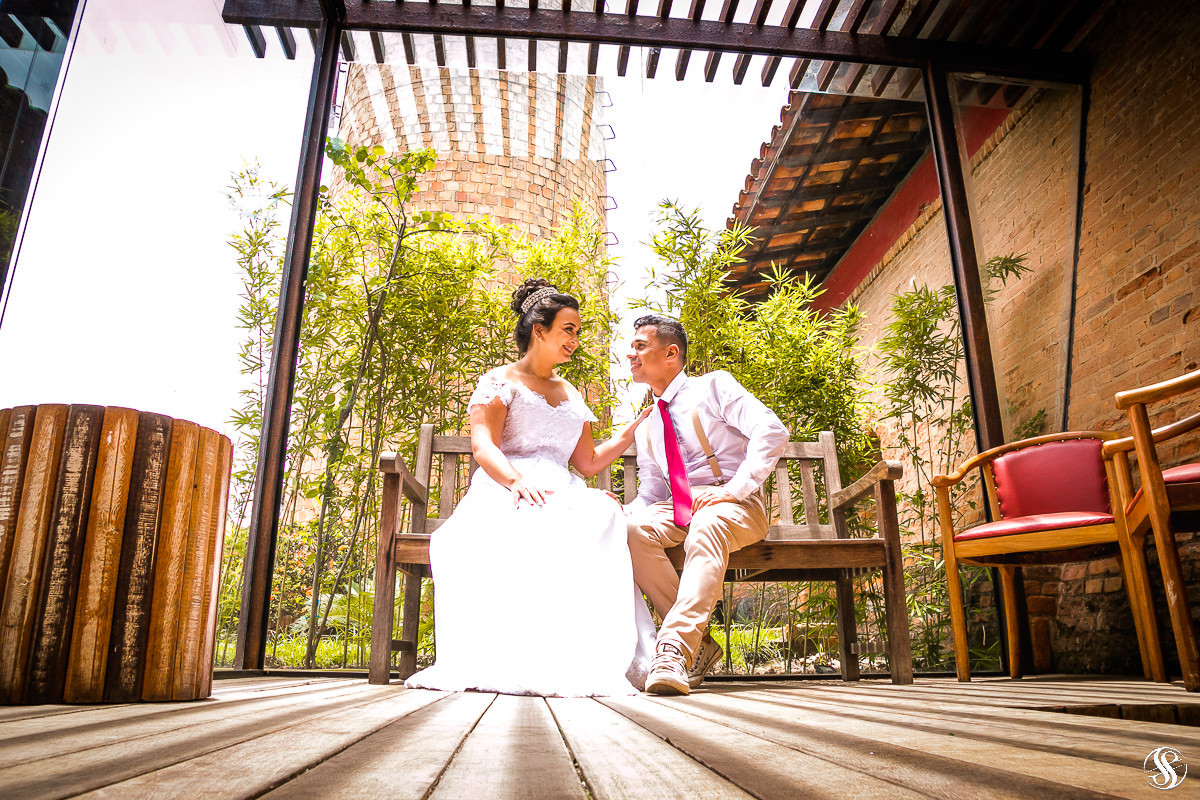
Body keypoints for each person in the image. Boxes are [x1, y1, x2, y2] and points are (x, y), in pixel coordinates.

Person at [405, 279, 656, 696]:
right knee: (534, 517)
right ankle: (525, 654)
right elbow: (483, 444)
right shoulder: (500, 381)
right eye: (568, 330)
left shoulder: (571, 393)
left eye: (578, 330)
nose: (576, 339)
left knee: (604, 514)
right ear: (539, 330)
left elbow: (587, 463)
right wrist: (516, 482)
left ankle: (591, 653)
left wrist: (629, 433)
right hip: (507, 483)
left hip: (562, 485)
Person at [625, 314, 789, 695]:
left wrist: (734, 488)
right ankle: (700, 645)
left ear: (671, 354)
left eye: (640, 346)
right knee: (631, 530)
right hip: (679, 508)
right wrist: (615, 514)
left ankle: (675, 650)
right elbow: (651, 494)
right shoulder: (649, 423)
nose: (630, 354)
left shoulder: (714, 386)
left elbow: (772, 430)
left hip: (736, 505)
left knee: (708, 523)